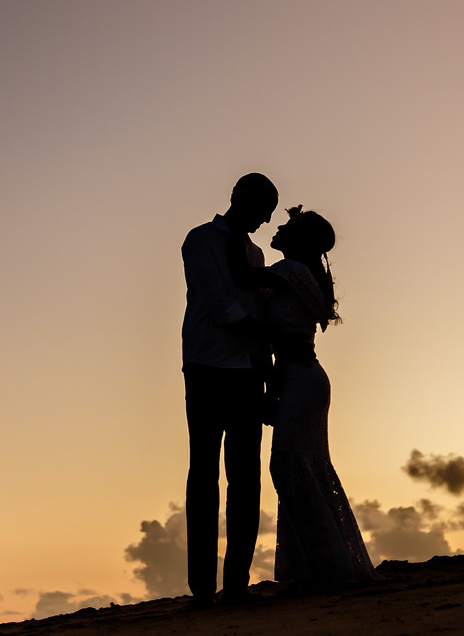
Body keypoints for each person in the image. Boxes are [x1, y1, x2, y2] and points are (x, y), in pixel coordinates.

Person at [264, 205, 379, 591]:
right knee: (303, 467)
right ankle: (320, 564)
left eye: (287, 225)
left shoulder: (289, 272)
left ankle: (326, 567)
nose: (278, 226)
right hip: (303, 377)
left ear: (298, 239)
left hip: (300, 377)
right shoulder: (299, 273)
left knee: (290, 464)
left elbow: (243, 284)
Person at [180, 173, 278, 609]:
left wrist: (268, 370)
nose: (264, 223)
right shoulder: (200, 240)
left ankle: (235, 584)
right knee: (204, 476)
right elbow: (219, 304)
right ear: (241, 200)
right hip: (205, 366)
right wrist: (270, 333)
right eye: (262, 212)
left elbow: (254, 309)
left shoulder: (256, 255)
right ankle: (202, 589)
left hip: (246, 372)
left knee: (245, 477)